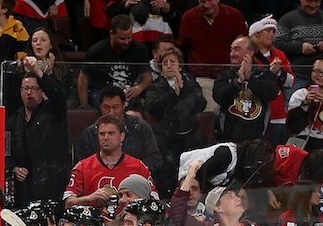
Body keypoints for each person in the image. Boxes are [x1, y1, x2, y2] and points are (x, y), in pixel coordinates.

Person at [143, 46, 206, 197]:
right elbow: (152, 107)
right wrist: (172, 93)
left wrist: (183, 89)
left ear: (180, 65)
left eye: (173, 62)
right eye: (165, 63)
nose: (169, 65)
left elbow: (200, 104)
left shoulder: (190, 83)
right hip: (165, 140)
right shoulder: (156, 86)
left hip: (189, 137)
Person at [8, 60, 71, 206]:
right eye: (25, 88)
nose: (29, 92)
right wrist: (14, 168)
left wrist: (37, 70)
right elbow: (5, 150)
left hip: (51, 181)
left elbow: (59, 96)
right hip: (24, 186)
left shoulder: (54, 111)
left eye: (33, 88)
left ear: (42, 91)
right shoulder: (14, 119)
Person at [63, 114, 157, 209]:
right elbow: (67, 203)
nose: (106, 137)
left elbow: (154, 203)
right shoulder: (82, 167)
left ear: (122, 136)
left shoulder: (139, 167)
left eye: (111, 133)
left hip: (128, 222)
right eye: (102, 134)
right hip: (93, 222)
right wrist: (89, 198)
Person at [74, 84, 162, 177]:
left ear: (123, 106)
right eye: (106, 108)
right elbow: (83, 166)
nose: (111, 112)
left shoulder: (140, 127)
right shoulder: (90, 134)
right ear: (100, 107)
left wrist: (129, 172)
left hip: (135, 181)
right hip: (100, 183)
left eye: (115, 107)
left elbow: (154, 159)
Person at [177, 0, 248, 112]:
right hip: (202, 78)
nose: (206, 5)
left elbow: (245, 46)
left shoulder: (234, 16)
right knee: (210, 115)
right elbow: (181, 49)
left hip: (230, 78)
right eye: (202, 1)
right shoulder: (189, 18)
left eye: (210, 0)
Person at [213, 35, 281, 145]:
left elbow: (272, 93)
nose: (232, 54)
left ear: (250, 53)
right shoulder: (225, 75)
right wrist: (238, 82)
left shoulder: (264, 74)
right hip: (227, 141)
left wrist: (250, 78)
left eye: (237, 49)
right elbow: (218, 96)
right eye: (231, 50)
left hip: (256, 143)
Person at [77, 15, 152, 109]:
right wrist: (84, 106)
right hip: (101, 93)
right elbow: (83, 78)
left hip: (128, 93)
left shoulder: (139, 49)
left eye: (129, 38)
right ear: (112, 34)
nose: (127, 42)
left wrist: (139, 88)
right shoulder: (97, 51)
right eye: (122, 39)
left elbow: (148, 77)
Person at [249, 15, 295, 147]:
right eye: (268, 30)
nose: (272, 34)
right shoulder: (248, 54)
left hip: (277, 112)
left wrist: (279, 72)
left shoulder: (280, 55)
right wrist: (269, 72)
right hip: (254, 110)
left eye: (274, 31)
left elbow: (291, 82)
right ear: (256, 34)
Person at [285, 58, 323, 154]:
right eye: (317, 71)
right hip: (301, 137)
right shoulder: (300, 94)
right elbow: (292, 127)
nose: (320, 75)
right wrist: (304, 104)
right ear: (311, 73)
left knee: (320, 158)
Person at [275, 0, 323, 77]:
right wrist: (299, 47)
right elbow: (277, 45)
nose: (313, 5)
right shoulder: (287, 19)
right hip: (298, 75)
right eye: (309, 1)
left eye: (316, 1)